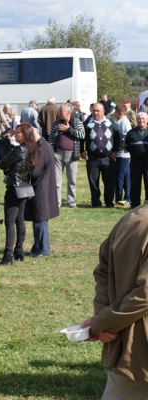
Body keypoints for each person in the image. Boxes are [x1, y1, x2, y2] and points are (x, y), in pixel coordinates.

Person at [80, 203, 148, 399]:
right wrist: (103, 322)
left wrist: (102, 319)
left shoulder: (131, 217)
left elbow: (103, 271)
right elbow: (145, 293)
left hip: (128, 346)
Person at [0, 123, 39, 266]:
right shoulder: (31, 149)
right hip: (25, 188)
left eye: (18, 133)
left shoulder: (19, 150)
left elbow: (2, 163)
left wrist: (8, 167)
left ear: (25, 135)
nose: (15, 134)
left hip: (15, 188)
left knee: (10, 222)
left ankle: (8, 254)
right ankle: (19, 249)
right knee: (19, 220)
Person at [25, 129, 59, 257]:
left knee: (40, 219)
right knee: (38, 219)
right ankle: (37, 246)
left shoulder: (42, 148)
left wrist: (26, 170)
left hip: (41, 188)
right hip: (43, 187)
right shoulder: (43, 145)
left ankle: (43, 249)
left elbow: (36, 171)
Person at [81, 102, 120, 208]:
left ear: (103, 111)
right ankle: (96, 203)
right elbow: (81, 138)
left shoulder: (110, 122)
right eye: (94, 111)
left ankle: (109, 202)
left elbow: (117, 136)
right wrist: (82, 151)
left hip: (108, 158)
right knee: (93, 182)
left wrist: (115, 151)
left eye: (98, 111)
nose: (95, 113)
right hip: (93, 159)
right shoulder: (87, 123)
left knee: (109, 182)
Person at [49, 103, 85, 208]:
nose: (59, 113)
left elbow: (82, 135)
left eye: (61, 111)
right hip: (58, 154)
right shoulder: (56, 123)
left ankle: (71, 201)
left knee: (72, 180)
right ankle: (57, 202)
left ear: (68, 112)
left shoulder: (77, 121)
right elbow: (51, 138)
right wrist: (52, 151)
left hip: (72, 154)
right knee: (56, 180)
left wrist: (68, 129)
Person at [125, 112, 148, 208]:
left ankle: (147, 205)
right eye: (139, 118)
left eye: (143, 118)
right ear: (136, 120)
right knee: (135, 184)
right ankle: (135, 205)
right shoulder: (131, 133)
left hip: (147, 162)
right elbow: (127, 147)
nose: (141, 120)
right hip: (135, 162)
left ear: (147, 120)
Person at [114, 104, 131, 206]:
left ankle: (119, 198)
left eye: (115, 113)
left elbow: (126, 137)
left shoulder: (124, 122)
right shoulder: (121, 121)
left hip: (123, 154)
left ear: (120, 113)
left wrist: (119, 145)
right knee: (126, 177)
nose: (114, 114)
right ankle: (128, 197)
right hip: (123, 153)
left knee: (120, 176)